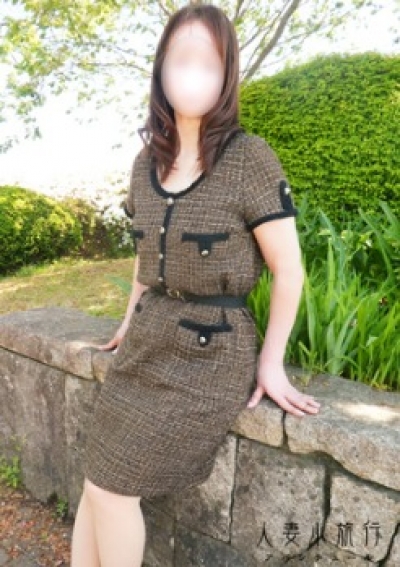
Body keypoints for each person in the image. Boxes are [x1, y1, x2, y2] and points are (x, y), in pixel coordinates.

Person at [70, 3, 321, 566]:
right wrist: (127, 322)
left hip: (210, 354)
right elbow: (144, 259)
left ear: (227, 74)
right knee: (95, 483)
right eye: (182, 59)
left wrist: (271, 362)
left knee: (112, 491)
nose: (193, 73)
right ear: (161, 68)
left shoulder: (249, 158)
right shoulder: (145, 162)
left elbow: (289, 269)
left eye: (209, 63)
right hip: (146, 345)